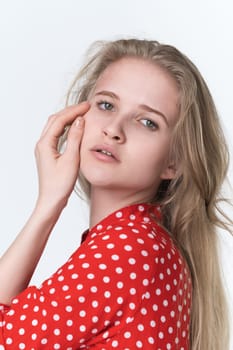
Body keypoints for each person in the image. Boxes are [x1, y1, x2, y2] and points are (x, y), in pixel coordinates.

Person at [0, 38, 231, 350]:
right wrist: (50, 203)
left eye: (147, 122)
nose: (114, 129)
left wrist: (47, 208)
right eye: (106, 105)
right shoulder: (147, 244)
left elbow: (7, 336)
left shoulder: (130, 248)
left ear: (174, 162)